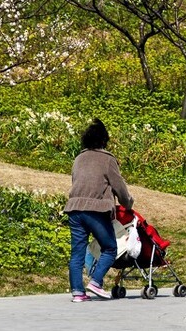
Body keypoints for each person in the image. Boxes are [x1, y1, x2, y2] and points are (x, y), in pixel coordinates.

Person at [65, 118, 134, 301]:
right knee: (110, 247)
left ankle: (78, 293)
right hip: (95, 210)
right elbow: (119, 187)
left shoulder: (78, 158)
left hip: (74, 209)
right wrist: (128, 203)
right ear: (104, 140)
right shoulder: (107, 159)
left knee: (77, 252)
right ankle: (95, 282)